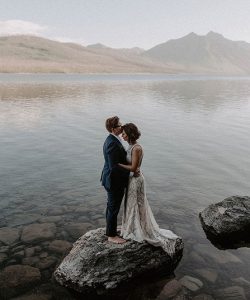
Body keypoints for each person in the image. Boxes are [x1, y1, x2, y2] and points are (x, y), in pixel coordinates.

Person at [118, 123, 180, 256]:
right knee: (130, 204)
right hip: (132, 180)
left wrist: (118, 165)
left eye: (124, 133)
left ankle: (138, 228)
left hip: (136, 180)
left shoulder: (137, 148)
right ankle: (132, 226)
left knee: (136, 204)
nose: (122, 135)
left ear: (129, 134)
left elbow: (134, 168)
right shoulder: (131, 146)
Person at [101, 116, 130, 244]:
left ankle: (110, 230)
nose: (122, 126)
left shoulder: (112, 139)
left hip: (110, 179)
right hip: (113, 181)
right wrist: (131, 170)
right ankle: (112, 236)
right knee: (113, 208)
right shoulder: (112, 143)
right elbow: (114, 166)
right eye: (119, 125)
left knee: (111, 207)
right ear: (113, 129)